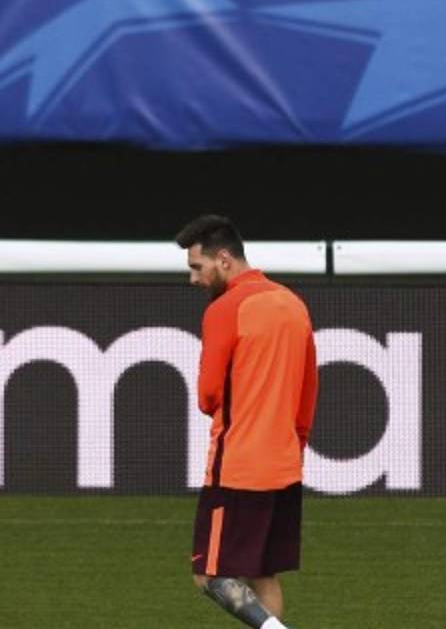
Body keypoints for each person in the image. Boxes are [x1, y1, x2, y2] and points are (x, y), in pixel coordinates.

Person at [176, 214, 318, 629]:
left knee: (210, 575)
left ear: (223, 259)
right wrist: (295, 445)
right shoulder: (292, 303)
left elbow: (207, 396)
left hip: (237, 466)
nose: (193, 279)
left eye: (197, 267)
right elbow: (308, 388)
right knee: (262, 573)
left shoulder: (225, 309)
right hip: (284, 463)